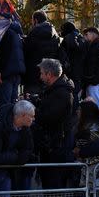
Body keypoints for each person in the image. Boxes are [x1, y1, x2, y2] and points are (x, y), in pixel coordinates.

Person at [32, 58, 74, 189]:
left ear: (49, 74)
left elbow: (50, 117)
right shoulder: (54, 91)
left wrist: (33, 112)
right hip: (52, 144)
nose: (40, 77)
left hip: (56, 146)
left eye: (42, 73)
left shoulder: (61, 93)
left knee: (54, 186)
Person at [0, 19, 25, 105]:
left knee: (5, 104)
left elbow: (1, 53)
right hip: (16, 72)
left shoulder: (5, 33)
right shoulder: (17, 35)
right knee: (13, 102)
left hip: (5, 73)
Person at [22, 11, 62, 95]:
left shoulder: (34, 32)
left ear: (35, 20)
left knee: (31, 100)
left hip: (33, 72)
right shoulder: (55, 33)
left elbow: (27, 50)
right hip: (50, 73)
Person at [60, 21, 86, 110]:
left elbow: (63, 56)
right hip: (81, 72)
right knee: (76, 95)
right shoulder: (82, 39)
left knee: (71, 95)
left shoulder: (67, 39)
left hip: (70, 73)